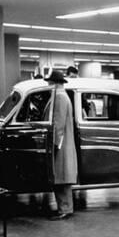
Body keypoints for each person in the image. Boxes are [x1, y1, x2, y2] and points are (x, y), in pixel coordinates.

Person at [45, 70, 78, 220]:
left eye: (49, 82)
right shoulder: (62, 96)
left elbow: (58, 124)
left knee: (61, 178)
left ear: (54, 83)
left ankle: (65, 208)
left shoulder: (59, 98)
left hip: (61, 144)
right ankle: (63, 208)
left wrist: (54, 144)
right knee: (61, 177)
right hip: (64, 143)